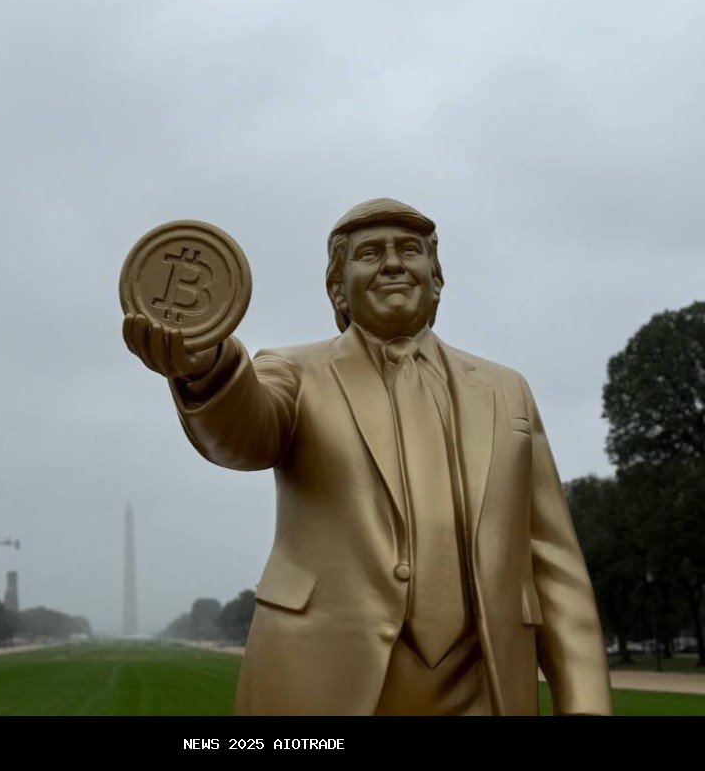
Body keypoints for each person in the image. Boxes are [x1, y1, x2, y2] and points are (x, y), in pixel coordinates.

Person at [122, 197, 612, 715]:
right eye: (370, 253)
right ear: (338, 288)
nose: (395, 263)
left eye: (410, 250)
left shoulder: (508, 390)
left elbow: (555, 563)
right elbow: (246, 432)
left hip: (484, 687)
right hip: (323, 686)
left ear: (436, 279)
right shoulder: (292, 371)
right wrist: (209, 366)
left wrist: (585, 706)